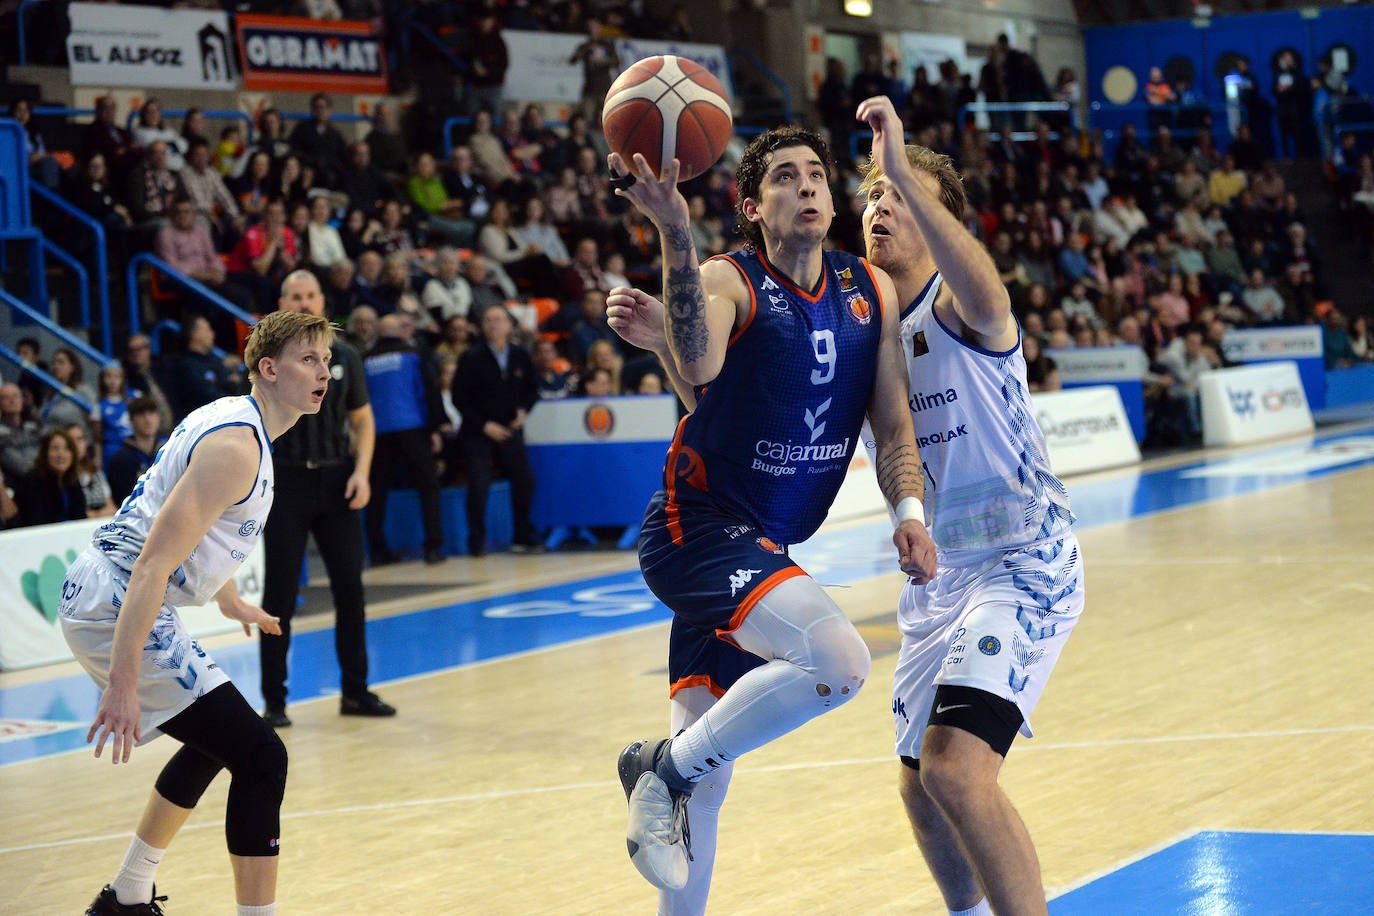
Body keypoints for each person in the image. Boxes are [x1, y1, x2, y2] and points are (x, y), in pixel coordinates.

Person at [602, 122, 936, 905]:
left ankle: (672, 774)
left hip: (759, 540)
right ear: (753, 205)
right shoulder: (727, 278)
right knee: (841, 662)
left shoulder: (867, 290)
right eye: (785, 177)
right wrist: (674, 233)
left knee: (706, 787)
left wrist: (909, 510)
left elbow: (892, 425)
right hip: (697, 528)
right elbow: (700, 361)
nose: (809, 186)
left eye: (816, 174)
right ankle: (662, 767)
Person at [58, 309, 331, 916]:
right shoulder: (237, 446)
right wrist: (123, 686)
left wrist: (231, 600)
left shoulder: (234, 421)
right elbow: (156, 562)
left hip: (108, 591)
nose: (324, 373)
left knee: (219, 740)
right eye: (309, 359)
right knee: (263, 756)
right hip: (120, 600)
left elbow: (191, 529)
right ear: (267, 368)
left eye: (328, 361)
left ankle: (127, 895)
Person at [258, 271, 395, 728]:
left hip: (336, 479)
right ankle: (274, 700)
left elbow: (363, 420)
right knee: (278, 594)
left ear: (321, 300)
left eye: (309, 295)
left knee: (350, 590)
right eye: (294, 295)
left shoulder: (346, 356)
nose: (302, 302)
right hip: (285, 483)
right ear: (282, 301)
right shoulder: (268, 358)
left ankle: (355, 692)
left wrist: (362, 472)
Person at [450, 304, 541, 557]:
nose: (493, 325)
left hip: (511, 428)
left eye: (498, 320)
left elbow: (532, 390)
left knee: (525, 480)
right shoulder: (470, 357)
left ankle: (523, 536)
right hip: (479, 431)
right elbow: (460, 398)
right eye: (488, 320)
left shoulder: (521, 355)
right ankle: (476, 540)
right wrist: (484, 425)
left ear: (509, 325)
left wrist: (523, 411)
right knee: (479, 483)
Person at [361, 314, 446, 566]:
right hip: (412, 427)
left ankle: (377, 550)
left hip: (377, 432)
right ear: (401, 331)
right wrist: (435, 428)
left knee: (376, 492)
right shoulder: (413, 355)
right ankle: (433, 547)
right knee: (428, 486)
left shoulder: (365, 359)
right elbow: (428, 390)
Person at [6, 428, 87, 527]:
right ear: (45, 453)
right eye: (55, 448)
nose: (61, 454)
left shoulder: (72, 480)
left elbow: (81, 517)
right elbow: (37, 522)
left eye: (66, 449)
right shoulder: (33, 481)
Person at [107, 397, 166, 506]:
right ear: (132, 420)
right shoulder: (121, 458)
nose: (147, 419)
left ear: (158, 418)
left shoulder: (168, 451)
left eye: (152, 413)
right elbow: (122, 499)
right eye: (141, 414)